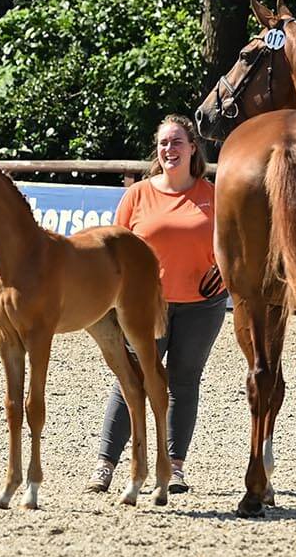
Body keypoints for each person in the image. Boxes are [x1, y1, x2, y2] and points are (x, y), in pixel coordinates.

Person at [87, 114, 228, 495]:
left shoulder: (212, 195)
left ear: (192, 148)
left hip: (202, 305)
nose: (169, 149)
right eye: (164, 143)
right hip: (144, 306)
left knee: (184, 381)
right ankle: (105, 465)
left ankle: (175, 465)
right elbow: (112, 249)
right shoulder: (138, 195)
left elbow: (234, 244)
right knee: (131, 377)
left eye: (177, 142)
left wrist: (226, 271)